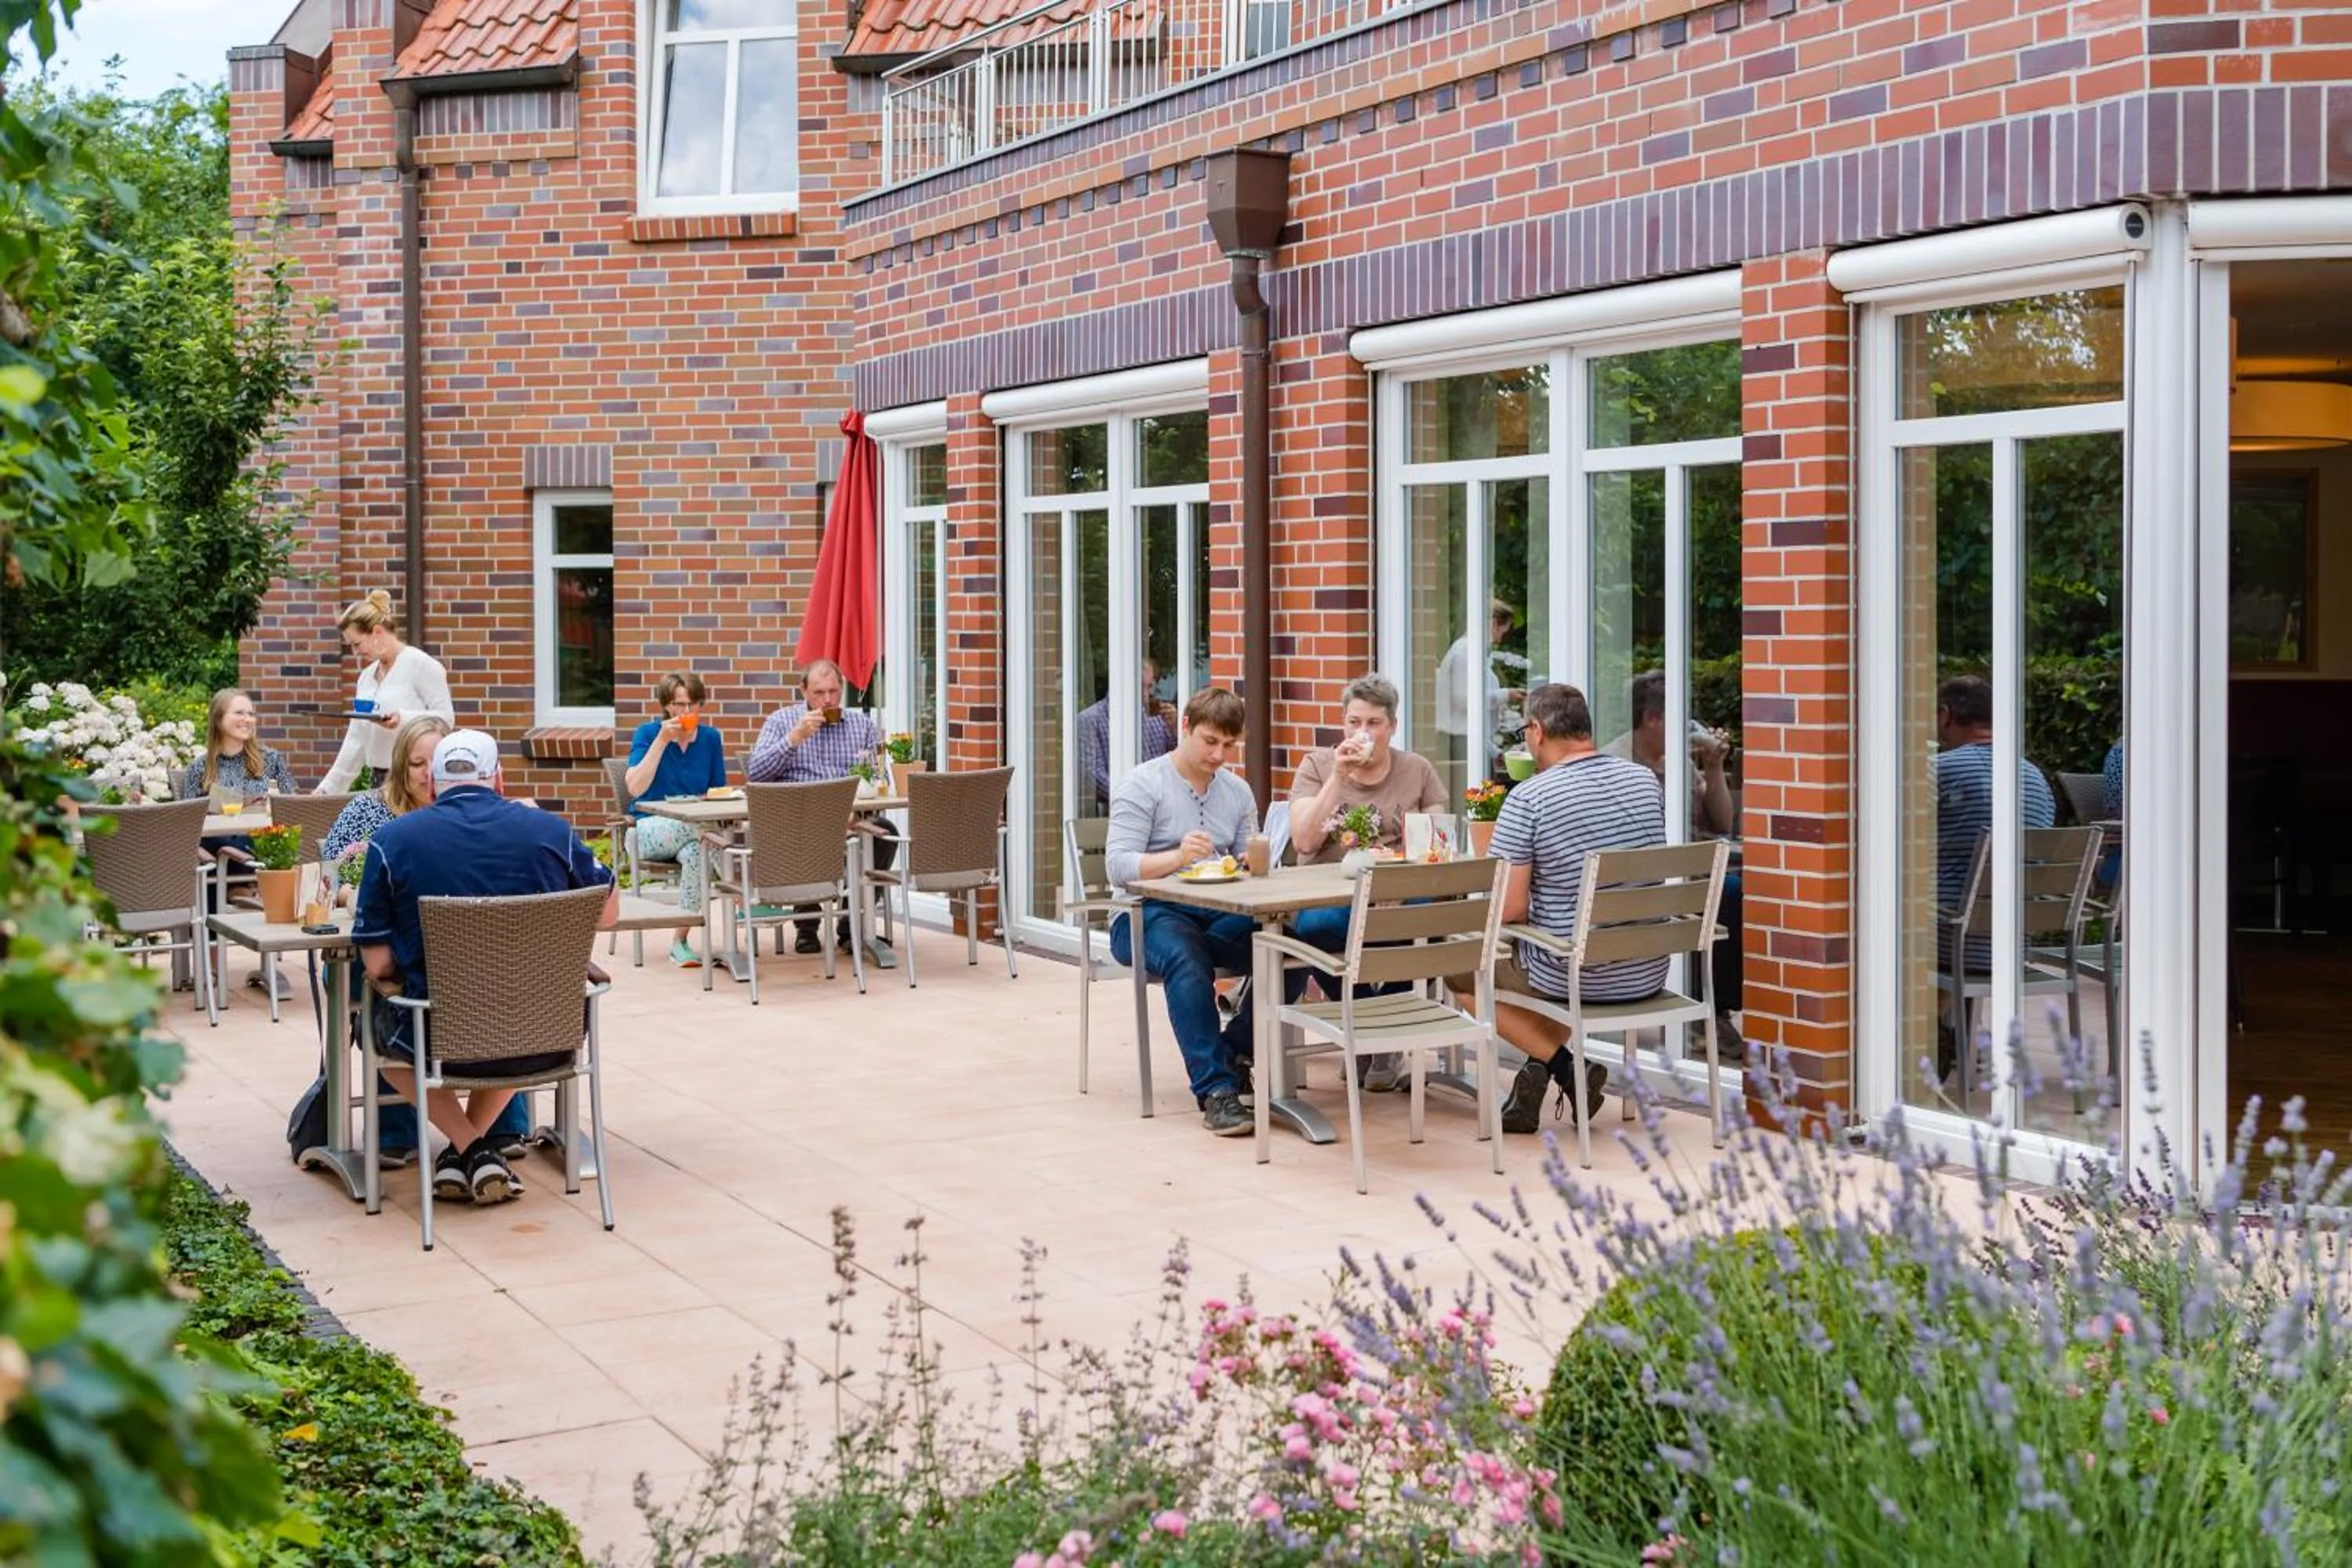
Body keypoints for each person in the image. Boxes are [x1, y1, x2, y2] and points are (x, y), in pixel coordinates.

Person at [353, 729, 617, 1203]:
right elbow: (608, 910)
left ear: (432, 784)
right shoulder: (551, 831)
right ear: (498, 778)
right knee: (507, 1018)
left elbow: (376, 962)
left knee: (374, 1034)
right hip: (548, 1036)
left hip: (441, 1041)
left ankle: (469, 1148)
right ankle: (471, 1153)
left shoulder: (393, 841)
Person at [1446, 682, 1667, 1134]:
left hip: (1579, 973)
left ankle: (1568, 1069)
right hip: (1648, 966)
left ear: (1538, 731)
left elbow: (1508, 908)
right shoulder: (1644, 780)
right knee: (1561, 951)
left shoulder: (1529, 798)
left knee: (1462, 972)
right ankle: (1530, 1088)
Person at [320, 714, 533, 1169]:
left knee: (482, 993)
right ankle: (408, 1132)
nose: (425, 772)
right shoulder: (370, 812)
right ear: (401, 765)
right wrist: (349, 891)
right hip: (405, 957)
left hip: (471, 961)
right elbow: (328, 875)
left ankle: (489, 1133)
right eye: (416, 762)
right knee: (376, 982)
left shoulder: (482, 818)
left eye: (433, 762)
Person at [1105, 687, 1262, 1137]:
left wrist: (1251, 861)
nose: (1219, 754)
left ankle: (1233, 1050)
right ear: (1186, 727)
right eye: (1210, 741)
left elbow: (1243, 855)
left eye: (1229, 745)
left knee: (1288, 941)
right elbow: (1117, 866)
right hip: (1143, 913)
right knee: (1185, 958)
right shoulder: (1144, 783)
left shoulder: (1237, 792)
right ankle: (1216, 1091)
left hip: (1216, 909)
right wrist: (1177, 857)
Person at [1287, 673, 1450, 1091]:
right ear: (1343, 723)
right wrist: (1338, 779)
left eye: (1373, 723)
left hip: (1397, 896)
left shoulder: (1418, 771)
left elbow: (1436, 846)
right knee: (1311, 930)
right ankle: (1375, 1031)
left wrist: (1397, 884)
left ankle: (1377, 1037)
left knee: (1436, 925)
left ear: (1392, 726)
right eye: (1354, 722)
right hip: (1330, 901)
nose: (1362, 732)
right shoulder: (1317, 766)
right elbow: (1304, 840)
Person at [1603, 670, 1744, 1055]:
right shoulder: (1616, 763)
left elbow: (1722, 821)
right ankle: (1707, 1012)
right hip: (1642, 879)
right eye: (1678, 716)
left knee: (1737, 894)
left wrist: (1714, 767)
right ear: (1652, 718)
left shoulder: (1679, 759)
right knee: (1729, 894)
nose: (1686, 727)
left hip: (1688, 872)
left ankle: (1715, 1008)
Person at [745, 659, 897, 953]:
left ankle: (852, 924)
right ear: (803, 690)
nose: (827, 700)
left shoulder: (862, 726)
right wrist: (794, 739)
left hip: (849, 820)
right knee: (808, 832)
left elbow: (880, 778)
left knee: (885, 831)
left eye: (834, 691)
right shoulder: (781, 722)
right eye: (819, 693)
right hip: (796, 821)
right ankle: (806, 925)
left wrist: (858, 804)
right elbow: (756, 773)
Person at [1933, 672, 2057, 975]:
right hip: (2014, 943)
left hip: (1948, 940)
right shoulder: (2035, 777)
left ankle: (1933, 1019)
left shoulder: (1938, 770)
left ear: (1945, 715)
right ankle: (1950, 1022)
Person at [625, 671, 729, 967]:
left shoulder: (710, 739)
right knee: (703, 833)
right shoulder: (648, 733)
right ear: (667, 706)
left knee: (699, 849)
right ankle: (742, 897)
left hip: (695, 832)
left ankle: (679, 942)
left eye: (692, 705)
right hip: (646, 830)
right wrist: (661, 741)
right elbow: (634, 788)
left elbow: (716, 792)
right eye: (679, 705)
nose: (686, 712)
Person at [318, 590, 456, 794]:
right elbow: (355, 740)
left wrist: (403, 719)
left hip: (414, 783)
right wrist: (327, 790)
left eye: (357, 644)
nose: (355, 652)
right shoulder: (366, 677)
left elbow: (446, 720)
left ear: (378, 632)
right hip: (378, 782)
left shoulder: (421, 665)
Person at [1433, 598, 1526, 773]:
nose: (1499, 639)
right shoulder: (1465, 652)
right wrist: (1506, 695)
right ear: (1493, 624)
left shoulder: (1471, 651)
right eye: (1502, 632)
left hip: (1469, 741)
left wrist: (1495, 752)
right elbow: (1464, 699)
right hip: (1460, 743)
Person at [1076, 659, 1178, 805]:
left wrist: (1176, 728)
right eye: (1140, 687)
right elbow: (1094, 776)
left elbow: (1178, 759)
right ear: (1120, 683)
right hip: (1115, 808)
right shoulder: (1090, 720)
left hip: (1160, 805)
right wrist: (1135, 797)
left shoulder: (1157, 718)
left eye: (1149, 687)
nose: (1146, 694)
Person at [176, 688, 301, 804]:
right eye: (239, 713)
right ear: (218, 719)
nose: (248, 720)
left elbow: (291, 807)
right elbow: (189, 822)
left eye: (251, 714)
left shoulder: (271, 759)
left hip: (261, 827)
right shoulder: (198, 768)